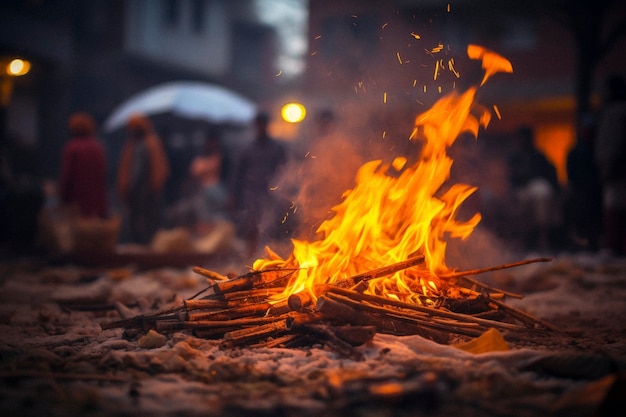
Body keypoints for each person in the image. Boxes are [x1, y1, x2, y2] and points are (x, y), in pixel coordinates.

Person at [231, 112, 288, 257]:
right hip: (251, 193)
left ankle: (270, 257)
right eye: (258, 125)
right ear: (255, 126)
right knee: (251, 226)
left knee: (271, 226)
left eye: (263, 125)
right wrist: (234, 195)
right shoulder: (247, 149)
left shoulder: (276, 148)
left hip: (270, 194)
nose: (261, 128)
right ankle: (251, 257)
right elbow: (238, 173)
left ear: (267, 126)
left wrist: (285, 193)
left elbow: (286, 170)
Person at [116, 113, 170, 245]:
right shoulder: (153, 142)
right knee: (151, 226)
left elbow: (137, 173)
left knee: (140, 227)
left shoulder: (141, 146)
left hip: (142, 194)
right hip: (153, 192)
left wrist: (131, 192)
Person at [507, 126, 560, 250]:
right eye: (520, 138)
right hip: (520, 189)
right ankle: (521, 239)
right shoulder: (514, 158)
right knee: (520, 204)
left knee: (543, 193)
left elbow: (550, 173)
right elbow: (511, 178)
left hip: (537, 185)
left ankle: (543, 237)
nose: (523, 141)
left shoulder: (539, 156)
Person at [594, 74, 626, 256]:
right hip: (612, 165)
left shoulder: (619, 111)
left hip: (618, 167)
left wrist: (612, 164)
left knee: (616, 205)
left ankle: (615, 245)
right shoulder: (611, 110)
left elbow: (617, 141)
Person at [59, 112, 108, 218]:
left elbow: (67, 177)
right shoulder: (98, 148)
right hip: (97, 202)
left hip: (77, 202)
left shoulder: (72, 148)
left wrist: (63, 198)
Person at [564, 114, 602, 251]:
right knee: (579, 215)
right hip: (579, 190)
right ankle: (578, 242)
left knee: (594, 217)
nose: (587, 132)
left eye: (590, 129)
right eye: (585, 129)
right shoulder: (575, 151)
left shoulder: (597, 149)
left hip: (595, 190)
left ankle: (594, 241)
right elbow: (571, 172)